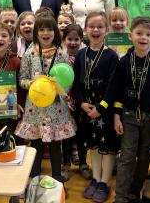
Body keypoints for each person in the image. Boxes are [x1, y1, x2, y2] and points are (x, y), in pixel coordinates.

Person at [113, 17, 150, 203]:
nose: (143, 37)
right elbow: (116, 91)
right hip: (128, 116)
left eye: (148, 34)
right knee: (127, 157)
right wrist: (116, 116)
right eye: (139, 33)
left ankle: (134, 192)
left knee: (145, 155)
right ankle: (121, 196)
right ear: (130, 36)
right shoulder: (124, 61)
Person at [15, 15, 76, 183]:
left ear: (55, 32)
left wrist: (59, 90)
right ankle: (34, 178)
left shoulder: (62, 55)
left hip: (56, 108)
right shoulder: (29, 54)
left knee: (56, 144)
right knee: (36, 144)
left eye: (49, 29)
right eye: (41, 29)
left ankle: (57, 178)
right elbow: (22, 80)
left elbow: (69, 81)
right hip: (35, 108)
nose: (45, 33)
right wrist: (33, 84)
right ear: (36, 33)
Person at [72, 12, 119, 203]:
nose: (96, 30)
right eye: (91, 26)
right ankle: (96, 178)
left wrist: (100, 108)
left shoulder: (112, 56)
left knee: (107, 147)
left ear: (107, 30)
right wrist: (82, 103)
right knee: (93, 145)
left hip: (104, 110)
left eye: (100, 26)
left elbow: (113, 87)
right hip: (87, 109)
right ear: (85, 29)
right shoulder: (81, 54)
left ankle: (105, 182)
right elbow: (76, 83)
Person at [61, 24, 92, 182]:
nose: (73, 43)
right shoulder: (60, 57)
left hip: (81, 101)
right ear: (64, 40)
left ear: (81, 40)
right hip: (65, 102)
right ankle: (65, 164)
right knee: (66, 135)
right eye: (69, 39)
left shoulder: (84, 56)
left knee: (82, 133)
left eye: (76, 39)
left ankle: (83, 163)